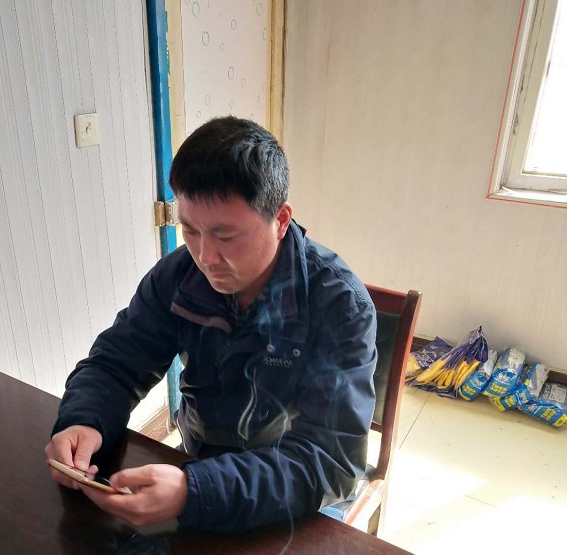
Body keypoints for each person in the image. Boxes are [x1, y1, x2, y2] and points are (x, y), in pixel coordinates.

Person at [45, 116, 377, 534]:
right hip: (199, 462)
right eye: (190, 230)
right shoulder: (178, 277)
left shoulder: (338, 304)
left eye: (226, 236)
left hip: (297, 491)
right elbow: (116, 363)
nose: (205, 257)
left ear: (280, 220)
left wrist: (196, 491)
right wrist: (84, 420)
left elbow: (330, 461)